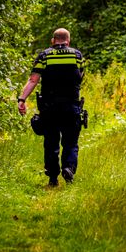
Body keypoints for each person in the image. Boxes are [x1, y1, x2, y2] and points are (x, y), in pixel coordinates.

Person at [18, 28, 85, 187]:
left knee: (51, 143)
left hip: (49, 107)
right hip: (71, 106)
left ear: (53, 40)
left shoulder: (44, 55)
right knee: (70, 142)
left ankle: (53, 178)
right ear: (68, 41)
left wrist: (22, 99)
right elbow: (80, 76)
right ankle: (68, 168)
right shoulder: (77, 55)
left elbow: (33, 80)